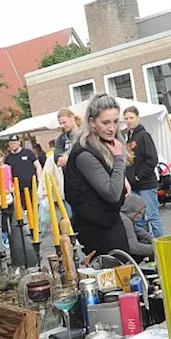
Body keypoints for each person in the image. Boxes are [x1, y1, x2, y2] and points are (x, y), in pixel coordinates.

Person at [64, 94, 131, 257]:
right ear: (92, 122)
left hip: (109, 222)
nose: (112, 128)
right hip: (96, 231)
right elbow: (112, 194)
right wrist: (119, 160)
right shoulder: (85, 153)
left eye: (115, 122)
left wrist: (123, 177)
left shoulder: (104, 144)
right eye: (105, 122)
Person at [123, 106, 164, 238]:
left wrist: (139, 177)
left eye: (131, 118)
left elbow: (152, 159)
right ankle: (147, 247)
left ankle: (161, 246)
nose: (129, 121)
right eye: (126, 118)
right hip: (133, 185)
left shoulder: (144, 135)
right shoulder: (127, 138)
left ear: (137, 118)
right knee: (138, 218)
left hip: (146, 184)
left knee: (152, 216)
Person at [119, 194, 156, 260]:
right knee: (143, 244)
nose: (140, 216)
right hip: (119, 256)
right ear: (132, 210)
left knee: (144, 241)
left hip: (119, 251)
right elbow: (134, 247)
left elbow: (140, 232)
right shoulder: (125, 221)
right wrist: (156, 248)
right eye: (139, 213)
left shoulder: (124, 216)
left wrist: (155, 241)